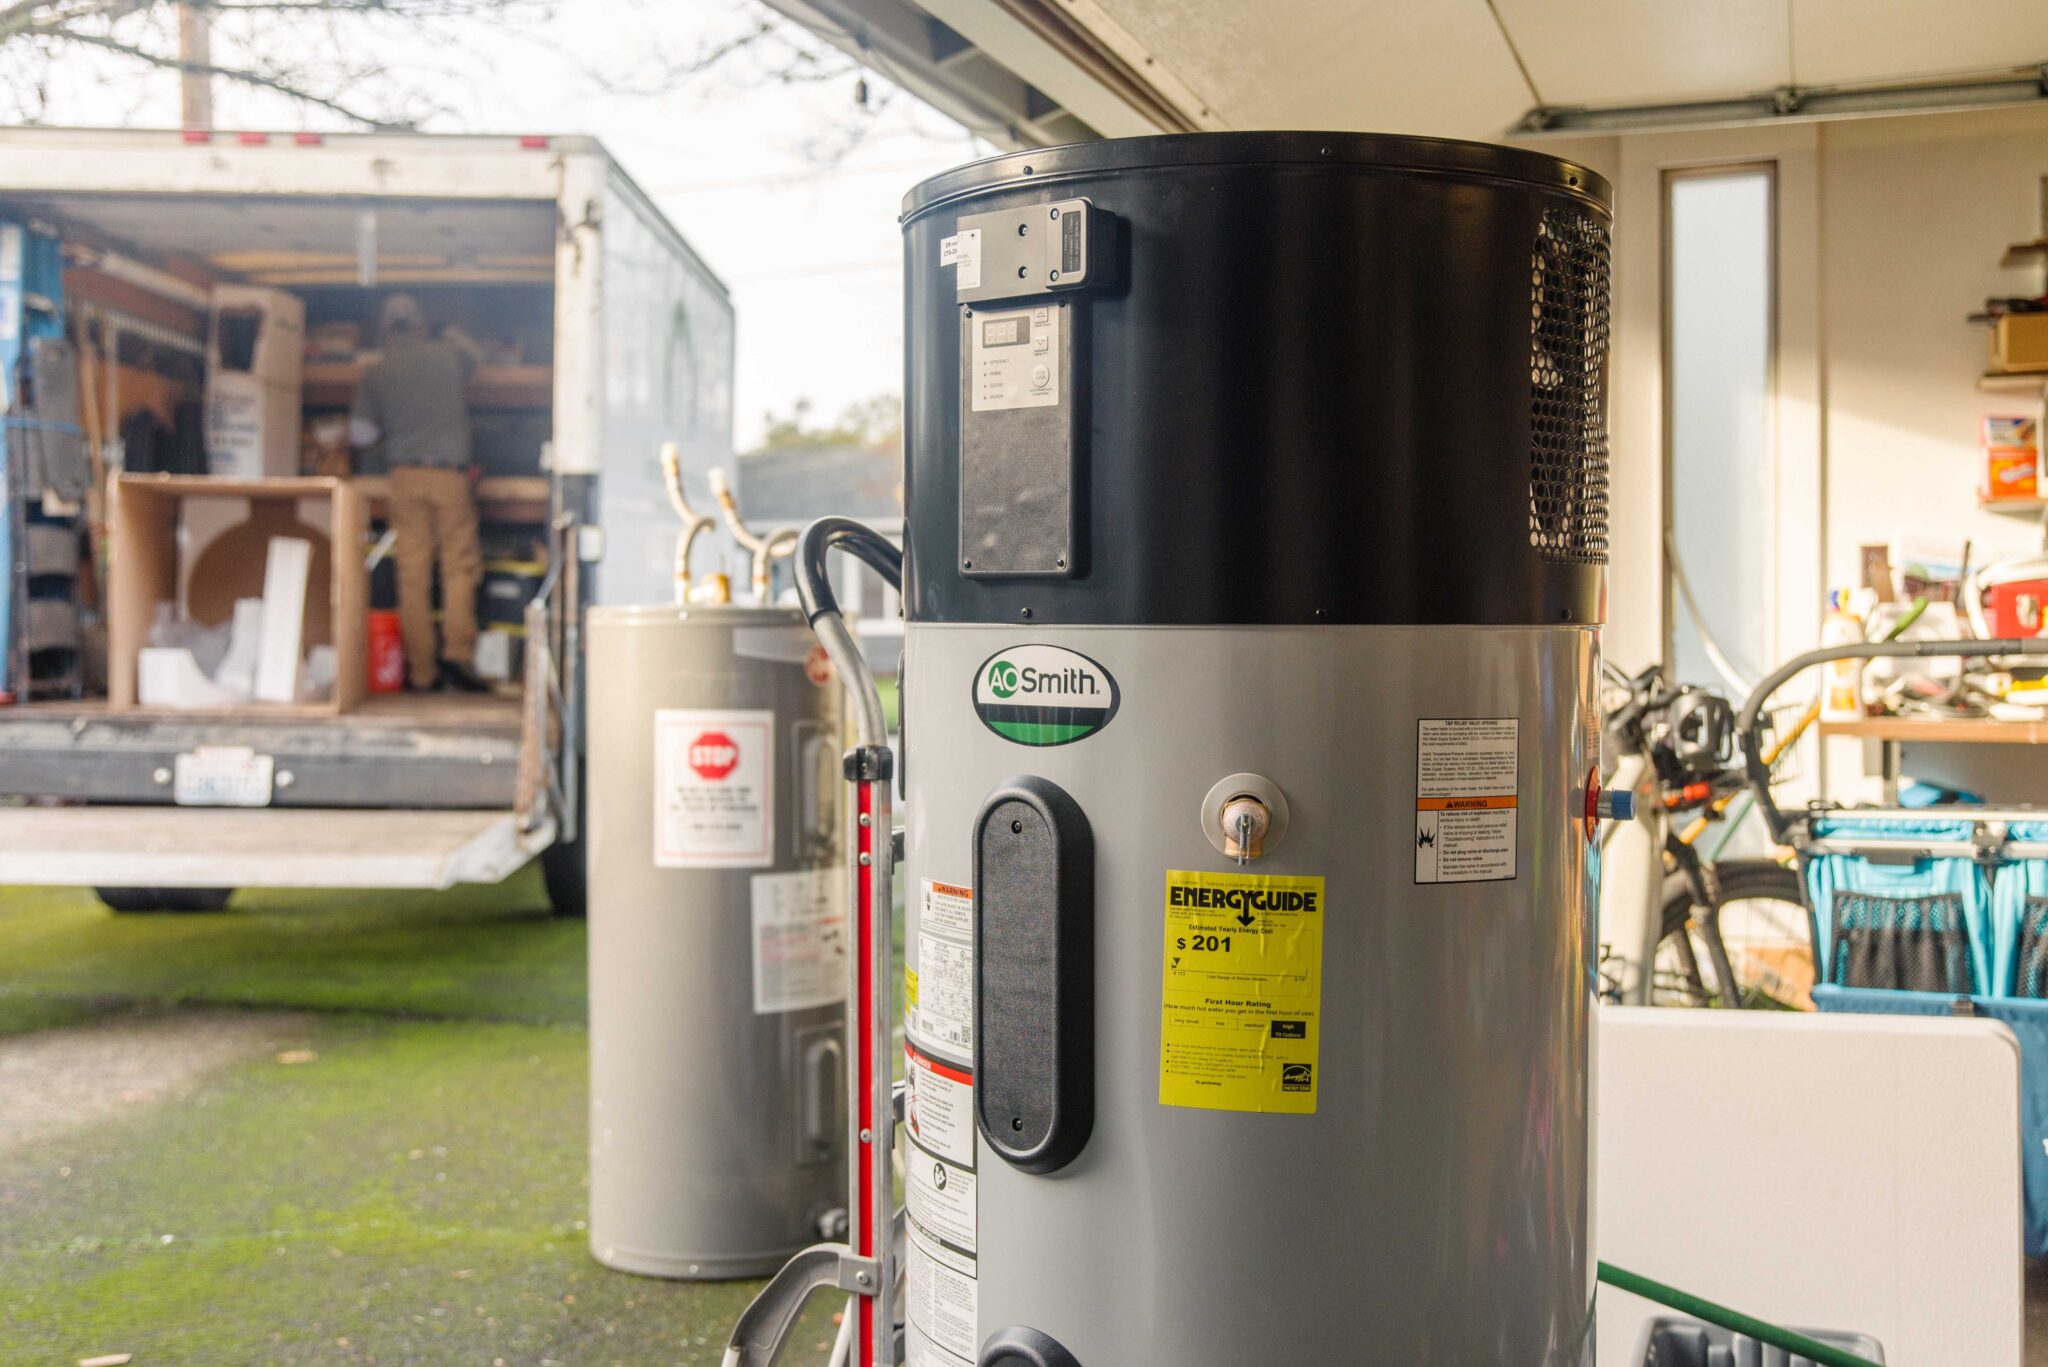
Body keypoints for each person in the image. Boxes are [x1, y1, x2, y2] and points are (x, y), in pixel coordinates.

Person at [349, 294, 488, 693]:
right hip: (450, 476)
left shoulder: (377, 372)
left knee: (413, 576)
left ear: (387, 332)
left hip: (404, 478)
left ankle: (423, 673)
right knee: (458, 568)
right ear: (421, 325)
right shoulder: (448, 357)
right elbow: (477, 357)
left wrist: (388, 439)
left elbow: (359, 434)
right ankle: (458, 657)